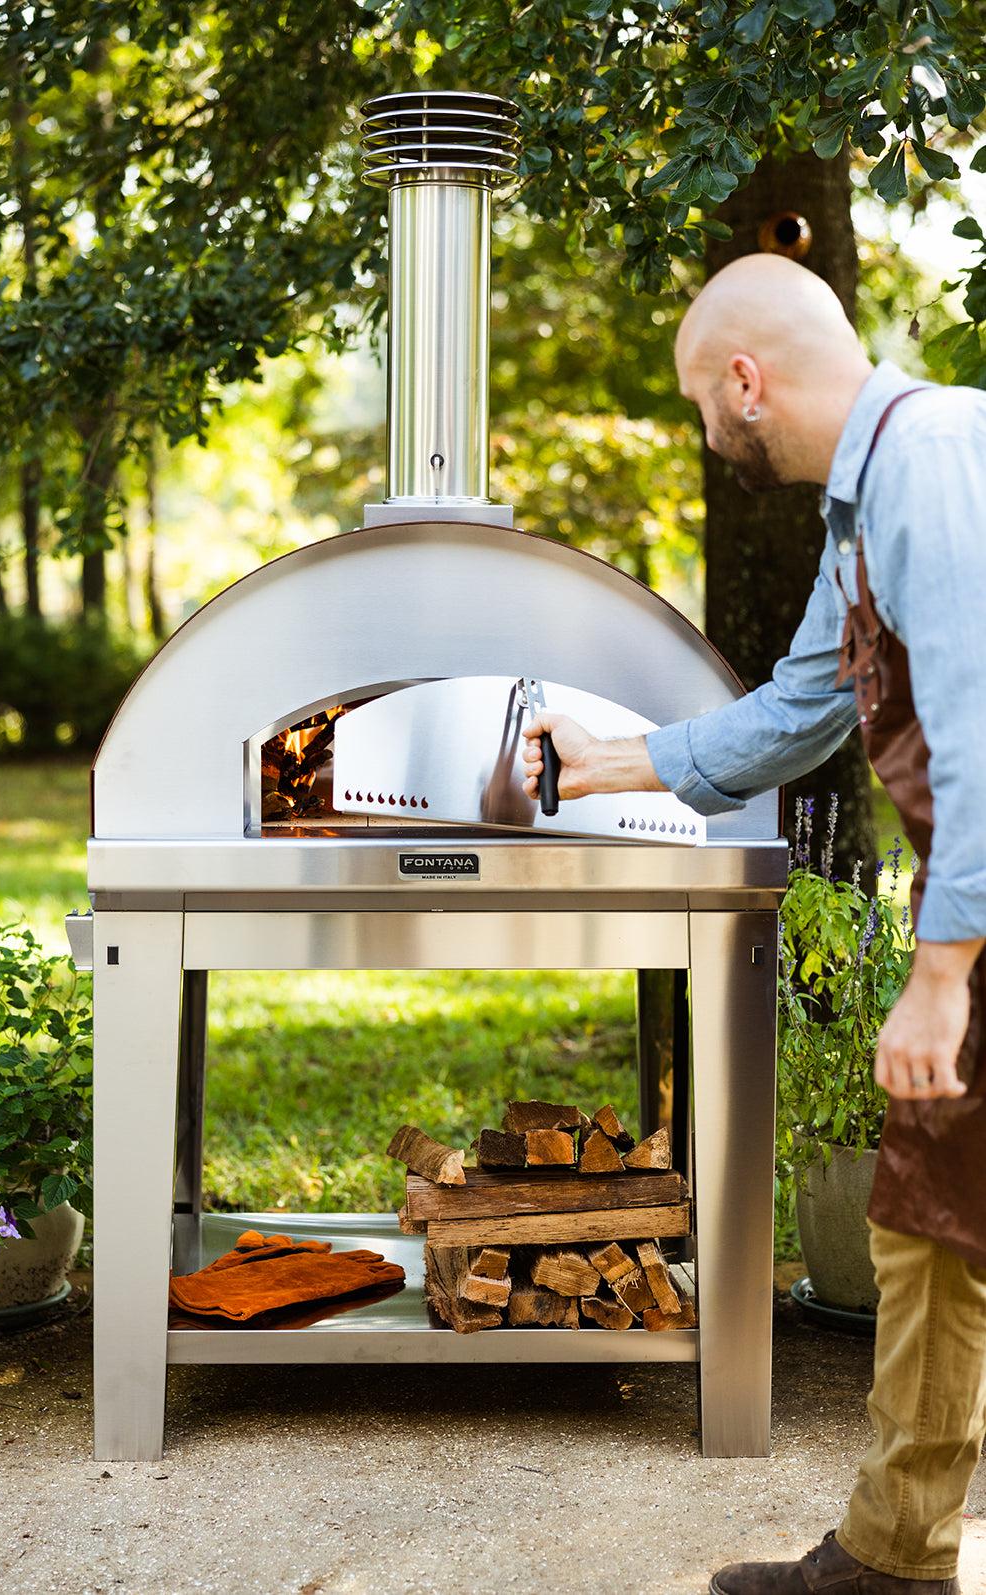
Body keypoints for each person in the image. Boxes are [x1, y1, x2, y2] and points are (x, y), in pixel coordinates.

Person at [521, 252, 986, 1595]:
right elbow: (798, 710)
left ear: (744, 380)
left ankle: (893, 1561)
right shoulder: (864, 506)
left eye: (697, 402)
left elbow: (979, 733)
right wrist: (604, 766)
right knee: (933, 1219)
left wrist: (943, 975)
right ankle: (895, 1556)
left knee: (939, 1216)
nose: (704, 429)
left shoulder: (931, 464)